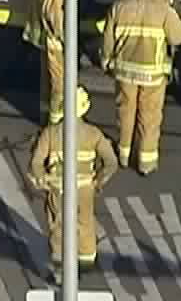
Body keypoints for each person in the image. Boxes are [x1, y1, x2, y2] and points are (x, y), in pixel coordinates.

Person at [101, 0, 181, 175]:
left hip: (124, 72)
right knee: (148, 117)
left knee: (125, 113)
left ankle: (123, 154)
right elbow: (178, 37)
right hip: (152, 76)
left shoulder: (118, 7)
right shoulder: (163, 10)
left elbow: (107, 42)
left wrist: (106, 62)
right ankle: (145, 163)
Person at [22, 86, 119, 277]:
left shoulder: (50, 133)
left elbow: (36, 163)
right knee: (85, 221)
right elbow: (111, 163)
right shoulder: (93, 134)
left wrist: (42, 180)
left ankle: (60, 266)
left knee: (58, 225)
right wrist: (98, 181)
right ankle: (86, 260)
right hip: (84, 188)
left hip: (58, 188)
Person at [23, 0, 66, 120]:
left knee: (46, 78)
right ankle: (55, 121)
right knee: (58, 81)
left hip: (41, 30)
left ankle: (44, 113)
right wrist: (61, 34)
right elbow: (53, 9)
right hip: (51, 34)